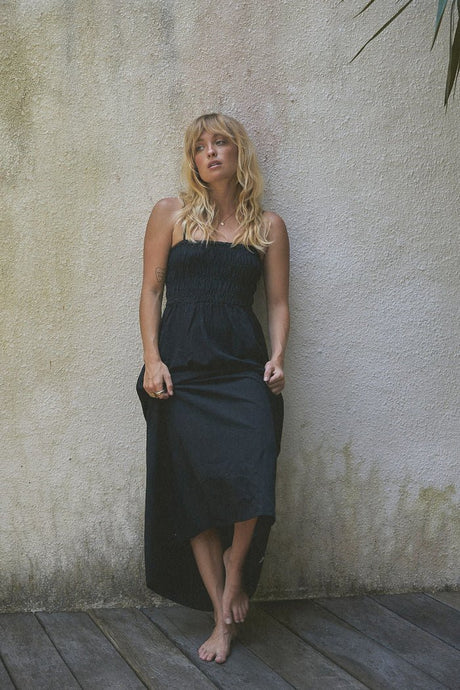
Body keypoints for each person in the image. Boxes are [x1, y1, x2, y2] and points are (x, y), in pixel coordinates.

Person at [137, 113, 289, 664]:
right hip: (181, 371)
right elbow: (151, 291)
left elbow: (277, 302)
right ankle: (221, 616)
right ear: (193, 161)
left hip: (240, 365)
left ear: (238, 152)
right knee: (192, 491)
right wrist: (152, 360)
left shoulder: (267, 226)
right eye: (200, 147)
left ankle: (235, 567)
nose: (211, 152)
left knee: (256, 464)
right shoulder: (171, 214)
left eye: (220, 142)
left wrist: (277, 356)